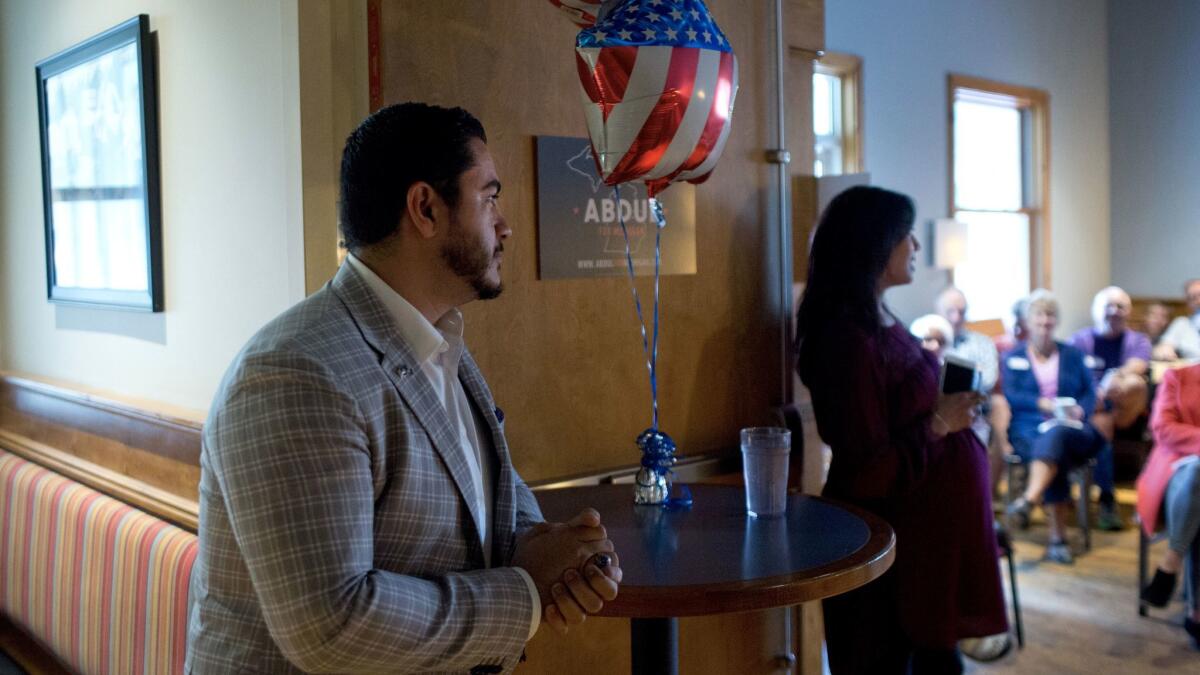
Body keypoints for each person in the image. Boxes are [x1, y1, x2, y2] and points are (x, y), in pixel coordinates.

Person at [187, 103, 622, 672]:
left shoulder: (437, 337)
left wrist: (551, 548)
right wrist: (527, 592)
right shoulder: (294, 373)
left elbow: (486, 484)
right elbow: (332, 625)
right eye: (488, 198)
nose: (505, 224)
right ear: (424, 208)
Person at [797, 186, 1007, 674]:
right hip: (892, 551)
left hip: (924, 547)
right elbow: (868, 469)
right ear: (874, 244)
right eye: (905, 235)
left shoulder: (876, 320)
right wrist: (940, 421)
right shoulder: (845, 341)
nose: (915, 246)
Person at [1003, 291, 1107, 564]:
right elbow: (1012, 395)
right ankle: (1056, 540)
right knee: (1053, 453)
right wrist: (1043, 405)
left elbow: (1089, 391)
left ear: (1056, 320)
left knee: (1057, 436)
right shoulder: (1013, 357)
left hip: (1073, 428)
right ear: (1028, 320)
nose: (1045, 320)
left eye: (1050, 314)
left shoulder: (1072, 354)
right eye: (1039, 314)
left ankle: (1029, 499)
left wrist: (1080, 409)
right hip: (1029, 429)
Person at [1070, 285, 1152, 530]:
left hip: (1126, 411)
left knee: (1134, 383)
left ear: (1128, 312)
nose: (1114, 312)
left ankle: (1106, 499)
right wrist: (1094, 394)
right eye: (1108, 306)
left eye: (1120, 307)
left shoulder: (1138, 340)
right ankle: (1107, 500)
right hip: (1093, 409)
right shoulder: (1079, 340)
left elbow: (1137, 366)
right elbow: (1073, 378)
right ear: (1096, 310)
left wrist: (1112, 379)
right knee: (1101, 427)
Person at [1137, 362, 1200, 647]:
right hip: (1175, 473)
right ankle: (1196, 611)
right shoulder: (1179, 377)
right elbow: (1162, 428)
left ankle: (1169, 564)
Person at [936, 287, 1000, 394]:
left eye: (961, 312)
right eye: (950, 311)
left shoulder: (983, 343)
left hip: (975, 405)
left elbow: (989, 380)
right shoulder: (927, 343)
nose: (956, 318)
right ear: (939, 311)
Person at [1157, 279, 1200, 360]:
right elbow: (1163, 347)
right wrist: (1164, 351)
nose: (1198, 301)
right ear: (1188, 303)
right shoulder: (1182, 323)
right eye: (1193, 298)